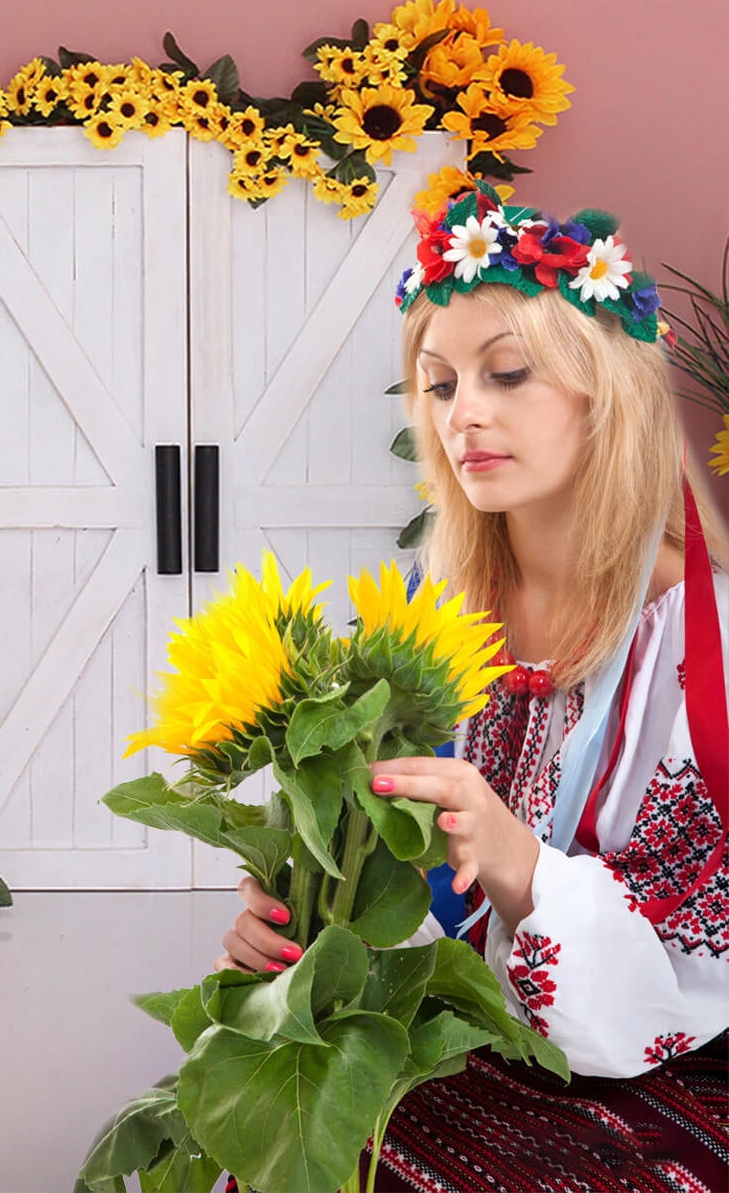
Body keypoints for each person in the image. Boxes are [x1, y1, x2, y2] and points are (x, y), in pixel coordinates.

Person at [217, 184, 729, 1192]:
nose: (467, 416)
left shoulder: (700, 640)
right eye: (439, 384)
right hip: (468, 1024)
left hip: (675, 1057)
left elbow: (701, 951)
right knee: (275, 1158)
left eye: (506, 375)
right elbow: (382, 857)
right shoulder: (430, 618)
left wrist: (518, 862)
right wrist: (301, 907)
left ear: (605, 394)